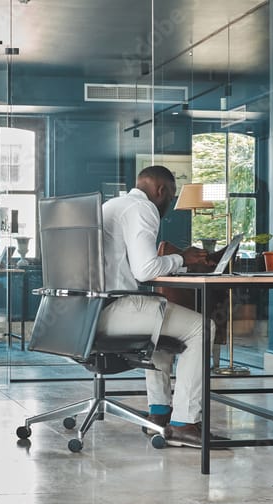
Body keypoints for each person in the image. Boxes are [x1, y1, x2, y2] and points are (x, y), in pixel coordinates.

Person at [97, 165, 216, 448]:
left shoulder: (111, 205)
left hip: (86, 312)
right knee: (203, 327)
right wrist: (183, 259)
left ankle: (159, 414)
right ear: (161, 190)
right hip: (113, 308)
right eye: (171, 197)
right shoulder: (142, 207)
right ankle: (185, 423)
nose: (169, 205)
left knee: (164, 328)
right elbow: (146, 270)